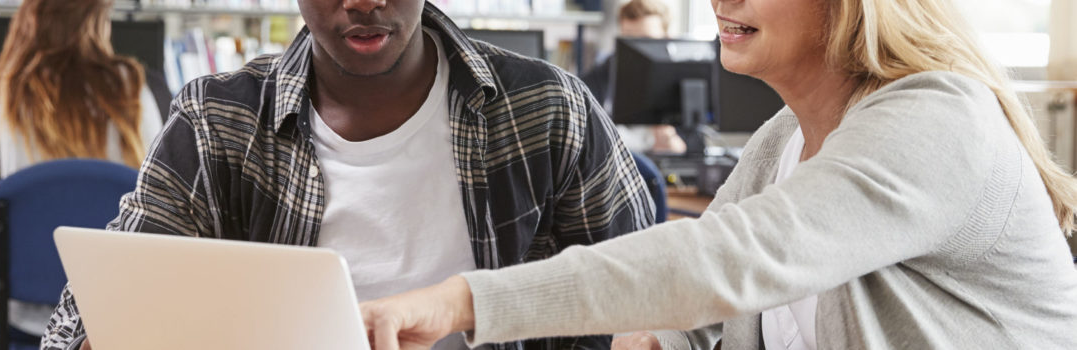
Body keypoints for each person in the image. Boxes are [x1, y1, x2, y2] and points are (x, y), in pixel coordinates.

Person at [359, 0, 1077, 349]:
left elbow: (726, 262)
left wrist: (463, 302)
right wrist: (660, 339)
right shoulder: (782, 142)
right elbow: (704, 316)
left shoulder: (936, 118)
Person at [40, 1, 656, 349]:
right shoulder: (218, 118)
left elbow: (651, 295)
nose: (365, 1)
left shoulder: (548, 109)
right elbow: (85, 317)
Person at [0, 0, 164, 342]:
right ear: (95, 20)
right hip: (113, 314)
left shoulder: (10, 91)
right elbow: (157, 193)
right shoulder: (132, 87)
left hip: (27, 315)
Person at [0, 0, 163, 178]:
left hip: (38, 209)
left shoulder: (10, 90)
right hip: (116, 208)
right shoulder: (129, 84)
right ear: (95, 22)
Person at [581, 0, 687, 155]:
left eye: (646, 40)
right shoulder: (596, 80)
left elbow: (694, 144)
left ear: (666, 38)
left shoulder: (682, 81)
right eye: (629, 41)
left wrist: (673, 142)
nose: (637, 51)